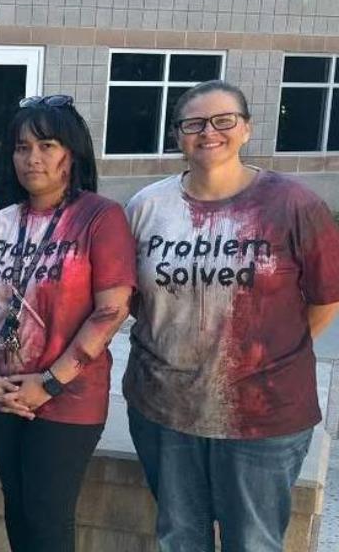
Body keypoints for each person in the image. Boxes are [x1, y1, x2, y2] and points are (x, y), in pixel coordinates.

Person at [124, 80, 339, 552]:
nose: (209, 132)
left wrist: (264, 359)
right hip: (165, 407)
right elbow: (139, 301)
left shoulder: (293, 205)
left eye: (224, 120)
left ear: (246, 129)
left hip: (264, 415)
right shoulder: (147, 207)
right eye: (194, 123)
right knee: (180, 537)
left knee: (253, 542)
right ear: (178, 134)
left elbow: (325, 299)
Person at [0, 95, 136, 552]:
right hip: (2, 392)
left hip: (67, 399)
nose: (32, 157)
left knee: (47, 516)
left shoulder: (100, 216)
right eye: (22, 147)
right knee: (16, 508)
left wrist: (49, 383)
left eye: (47, 145)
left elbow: (111, 311)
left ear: (71, 154)